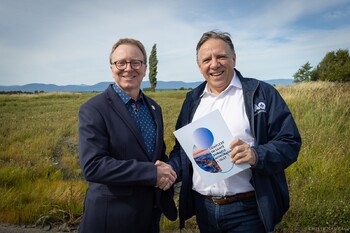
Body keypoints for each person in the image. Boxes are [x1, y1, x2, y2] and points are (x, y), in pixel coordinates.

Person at [167, 30, 302, 232]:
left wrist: (256, 155)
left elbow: (290, 142)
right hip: (205, 208)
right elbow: (183, 150)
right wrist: (168, 170)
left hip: (248, 210)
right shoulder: (192, 100)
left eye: (221, 56)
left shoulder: (261, 93)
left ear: (234, 58)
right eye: (206, 59)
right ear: (199, 66)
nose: (214, 64)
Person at [78, 38, 177, 233]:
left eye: (135, 62)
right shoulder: (93, 109)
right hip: (111, 219)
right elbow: (93, 166)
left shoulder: (154, 108)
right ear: (111, 67)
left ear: (145, 67)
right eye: (121, 63)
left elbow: (156, 155)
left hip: (149, 217)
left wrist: (168, 170)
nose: (128, 68)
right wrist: (151, 173)